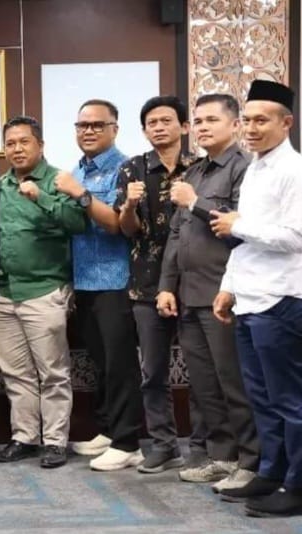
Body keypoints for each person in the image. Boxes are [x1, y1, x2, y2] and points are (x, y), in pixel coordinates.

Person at [210, 80, 302, 517]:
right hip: (249, 299)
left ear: (286, 122)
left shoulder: (299, 173)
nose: (251, 129)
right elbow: (246, 242)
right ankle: (271, 472)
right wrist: (228, 287)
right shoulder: (257, 168)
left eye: (262, 120)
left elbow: (296, 239)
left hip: (280, 301)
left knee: (289, 401)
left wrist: (238, 225)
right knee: (262, 398)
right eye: (247, 121)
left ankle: (300, 487)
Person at [158, 93, 260, 493]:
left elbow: (242, 229)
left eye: (211, 120)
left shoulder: (245, 170)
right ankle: (223, 457)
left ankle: (251, 462)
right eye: (198, 120)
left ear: (235, 125)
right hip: (189, 294)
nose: (202, 127)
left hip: (224, 295)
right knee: (204, 386)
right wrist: (166, 286)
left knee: (233, 384)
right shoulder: (196, 171)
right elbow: (176, 235)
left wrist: (195, 202)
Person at [0, 116, 87, 468]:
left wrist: (42, 197)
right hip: (5, 292)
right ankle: (25, 437)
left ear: (40, 145)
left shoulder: (58, 179)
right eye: (10, 143)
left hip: (45, 290)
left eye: (24, 142)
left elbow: (78, 223)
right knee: (16, 374)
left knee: (53, 373)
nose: (17, 149)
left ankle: (56, 441)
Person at [114, 96, 202, 474]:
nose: (159, 127)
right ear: (144, 130)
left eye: (166, 120)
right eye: (152, 122)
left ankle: (202, 447)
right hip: (147, 284)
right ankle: (164, 445)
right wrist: (129, 206)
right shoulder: (131, 169)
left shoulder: (200, 167)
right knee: (153, 372)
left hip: (195, 282)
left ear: (184, 126)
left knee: (201, 373)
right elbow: (127, 230)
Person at [57, 99, 144, 471]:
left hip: (116, 279)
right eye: (82, 126)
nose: (88, 131)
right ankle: (108, 429)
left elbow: (115, 224)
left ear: (114, 129)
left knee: (121, 363)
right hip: (85, 280)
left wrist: (79, 193)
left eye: (97, 125)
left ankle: (129, 442)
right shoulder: (78, 168)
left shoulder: (126, 168)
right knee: (101, 362)